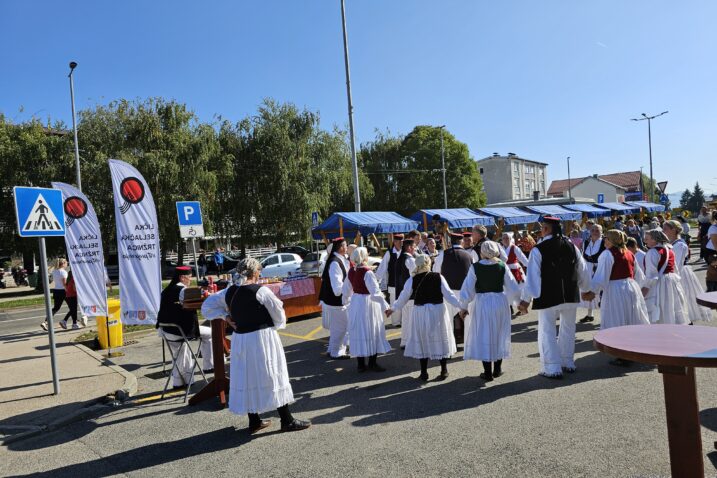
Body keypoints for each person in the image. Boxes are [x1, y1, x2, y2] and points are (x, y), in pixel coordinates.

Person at [201, 259, 309, 433]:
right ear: (254, 272)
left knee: (247, 375)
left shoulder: (229, 291)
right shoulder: (261, 291)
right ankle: (286, 420)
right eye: (259, 270)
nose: (260, 273)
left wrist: (225, 316)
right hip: (261, 338)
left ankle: (254, 420)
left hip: (241, 339)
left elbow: (207, 307)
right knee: (272, 374)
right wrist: (274, 326)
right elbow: (279, 315)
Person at [519, 217, 590, 379]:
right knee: (568, 328)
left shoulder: (539, 249)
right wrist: (586, 288)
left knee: (547, 330)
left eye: (542, 228)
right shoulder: (571, 246)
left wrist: (526, 299)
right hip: (570, 294)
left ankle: (552, 367)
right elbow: (583, 269)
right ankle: (567, 362)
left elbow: (532, 277)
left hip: (548, 295)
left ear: (546, 229)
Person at [390, 254, 463, 381]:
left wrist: (392, 308)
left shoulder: (412, 279)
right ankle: (444, 369)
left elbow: (403, 297)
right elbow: (449, 295)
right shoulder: (438, 277)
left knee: (422, 340)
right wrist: (461, 307)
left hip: (420, 311)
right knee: (439, 338)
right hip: (437, 311)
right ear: (428, 263)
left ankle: (424, 372)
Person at [585, 230, 649, 366]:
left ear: (612, 240)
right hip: (631, 288)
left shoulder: (607, 254)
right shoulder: (629, 253)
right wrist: (639, 287)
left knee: (617, 319)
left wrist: (592, 291)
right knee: (630, 318)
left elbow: (601, 277)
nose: (604, 240)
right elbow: (639, 275)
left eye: (606, 238)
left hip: (616, 289)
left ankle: (623, 353)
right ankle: (632, 350)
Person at [461, 241, 521, 382]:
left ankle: (487, 372)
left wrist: (463, 307)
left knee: (484, 334)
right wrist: (518, 302)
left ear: (482, 252)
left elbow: (467, 289)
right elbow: (513, 287)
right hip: (500, 301)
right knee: (499, 332)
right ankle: (497, 369)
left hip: (483, 303)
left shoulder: (475, 267)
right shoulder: (502, 265)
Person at [157, 266, 214, 388]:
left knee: (181, 351)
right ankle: (209, 366)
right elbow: (197, 301)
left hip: (166, 330)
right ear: (182, 277)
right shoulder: (182, 290)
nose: (190, 280)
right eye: (189, 277)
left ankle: (179, 381)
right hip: (180, 331)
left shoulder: (166, 290)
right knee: (210, 333)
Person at [342, 247, 391, 372]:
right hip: (368, 303)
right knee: (372, 330)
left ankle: (361, 364)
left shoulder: (351, 271)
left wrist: (346, 302)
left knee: (359, 331)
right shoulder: (367, 272)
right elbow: (375, 293)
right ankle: (372, 363)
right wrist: (386, 306)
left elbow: (345, 290)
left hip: (356, 302)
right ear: (364, 257)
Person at [663, 220, 712, 322]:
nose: (663, 231)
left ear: (673, 230)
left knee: (684, 301)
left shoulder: (679, 245)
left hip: (680, 274)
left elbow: (677, 264)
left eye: (665, 229)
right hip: (676, 273)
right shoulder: (670, 243)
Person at [641, 229, 688, 325]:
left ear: (654, 240)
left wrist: (644, 291)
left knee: (660, 310)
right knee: (672, 308)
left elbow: (651, 275)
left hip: (660, 284)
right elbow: (675, 269)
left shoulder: (652, 252)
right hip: (672, 282)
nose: (645, 241)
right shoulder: (669, 250)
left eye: (647, 239)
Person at [433, 232, 473, 343]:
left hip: (448, 292)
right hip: (465, 292)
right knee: (467, 319)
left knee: (448, 320)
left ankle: (449, 344)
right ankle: (468, 344)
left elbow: (436, 272)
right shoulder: (469, 255)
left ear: (450, 242)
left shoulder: (443, 254)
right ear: (461, 241)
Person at [318, 237, 351, 359]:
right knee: (341, 328)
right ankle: (337, 352)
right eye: (346, 245)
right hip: (336, 301)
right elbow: (337, 289)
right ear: (341, 247)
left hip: (336, 301)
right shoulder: (335, 263)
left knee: (337, 328)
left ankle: (332, 349)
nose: (347, 247)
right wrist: (349, 286)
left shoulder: (338, 259)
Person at [375, 234, 404, 326]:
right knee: (393, 301)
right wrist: (376, 279)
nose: (400, 243)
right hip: (393, 282)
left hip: (403, 282)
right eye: (399, 242)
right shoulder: (390, 253)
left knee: (404, 301)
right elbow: (382, 267)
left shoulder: (404, 252)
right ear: (394, 242)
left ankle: (404, 320)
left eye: (402, 242)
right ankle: (396, 322)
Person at [395, 239, 417, 344]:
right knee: (412, 319)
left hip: (401, 293)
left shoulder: (400, 258)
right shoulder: (410, 260)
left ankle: (404, 341)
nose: (415, 248)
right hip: (410, 293)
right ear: (409, 247)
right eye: (414, 246)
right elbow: (415, 276)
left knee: (405, 319)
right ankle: (411, 342)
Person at [41, 259, 69, 331]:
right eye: (66, 263)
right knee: (73, 307)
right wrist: (68, 291)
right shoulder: (63, 272)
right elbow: (64, 284)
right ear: (63, 264)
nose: (67, 265)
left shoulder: (55, 271)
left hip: (56, 290)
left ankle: (45, 322)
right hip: (63, 291)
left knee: (56, 308)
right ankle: (67, 321)